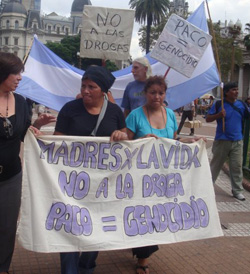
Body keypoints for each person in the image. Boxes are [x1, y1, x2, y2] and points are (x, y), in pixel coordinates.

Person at [126, 76, 205, 274]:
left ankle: (140, 249)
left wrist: (190, 141)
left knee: (156, 216)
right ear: (145, 93)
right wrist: (141, 140)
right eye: (153, 92)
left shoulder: (170, 114)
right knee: (143, 215)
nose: (157, 96)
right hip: (139, 177)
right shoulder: (135, 116)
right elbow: (123, 145)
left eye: (161, 93)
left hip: (164, 177)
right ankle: (142, 260)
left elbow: (174, 140)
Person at [53, 66, 128, 274]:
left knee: (96, 226)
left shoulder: (114, 112)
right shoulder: (69, 109)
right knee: (70, 226)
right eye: (83, 86)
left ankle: (87, 266)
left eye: (91, 87)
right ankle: (69, 270)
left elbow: (125, 138)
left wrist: (121, 136)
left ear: (103, 91)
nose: (85, 90)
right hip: (72, 180)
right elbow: (57, 139)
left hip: (103, 183)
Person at [0, 52, 56, 274]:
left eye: (20, 73)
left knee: (6, 227)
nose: (19, 78)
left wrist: (37, 126)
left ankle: (2, 268)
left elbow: (22, 135)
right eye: (15, 73)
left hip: (11, 176)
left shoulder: (22, 102)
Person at [206, 82, 249, 201]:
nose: (236, 92)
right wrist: (219, 115)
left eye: (237, 89)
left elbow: (247, 115)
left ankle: (237, 190)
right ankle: (207, 188)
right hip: (222, 140)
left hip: (237, 141)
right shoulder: (219, 104)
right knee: (215, 166)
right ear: (226, 92)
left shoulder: (241, 104)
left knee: (237, 166)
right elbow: (208, 118)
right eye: (234, 90)